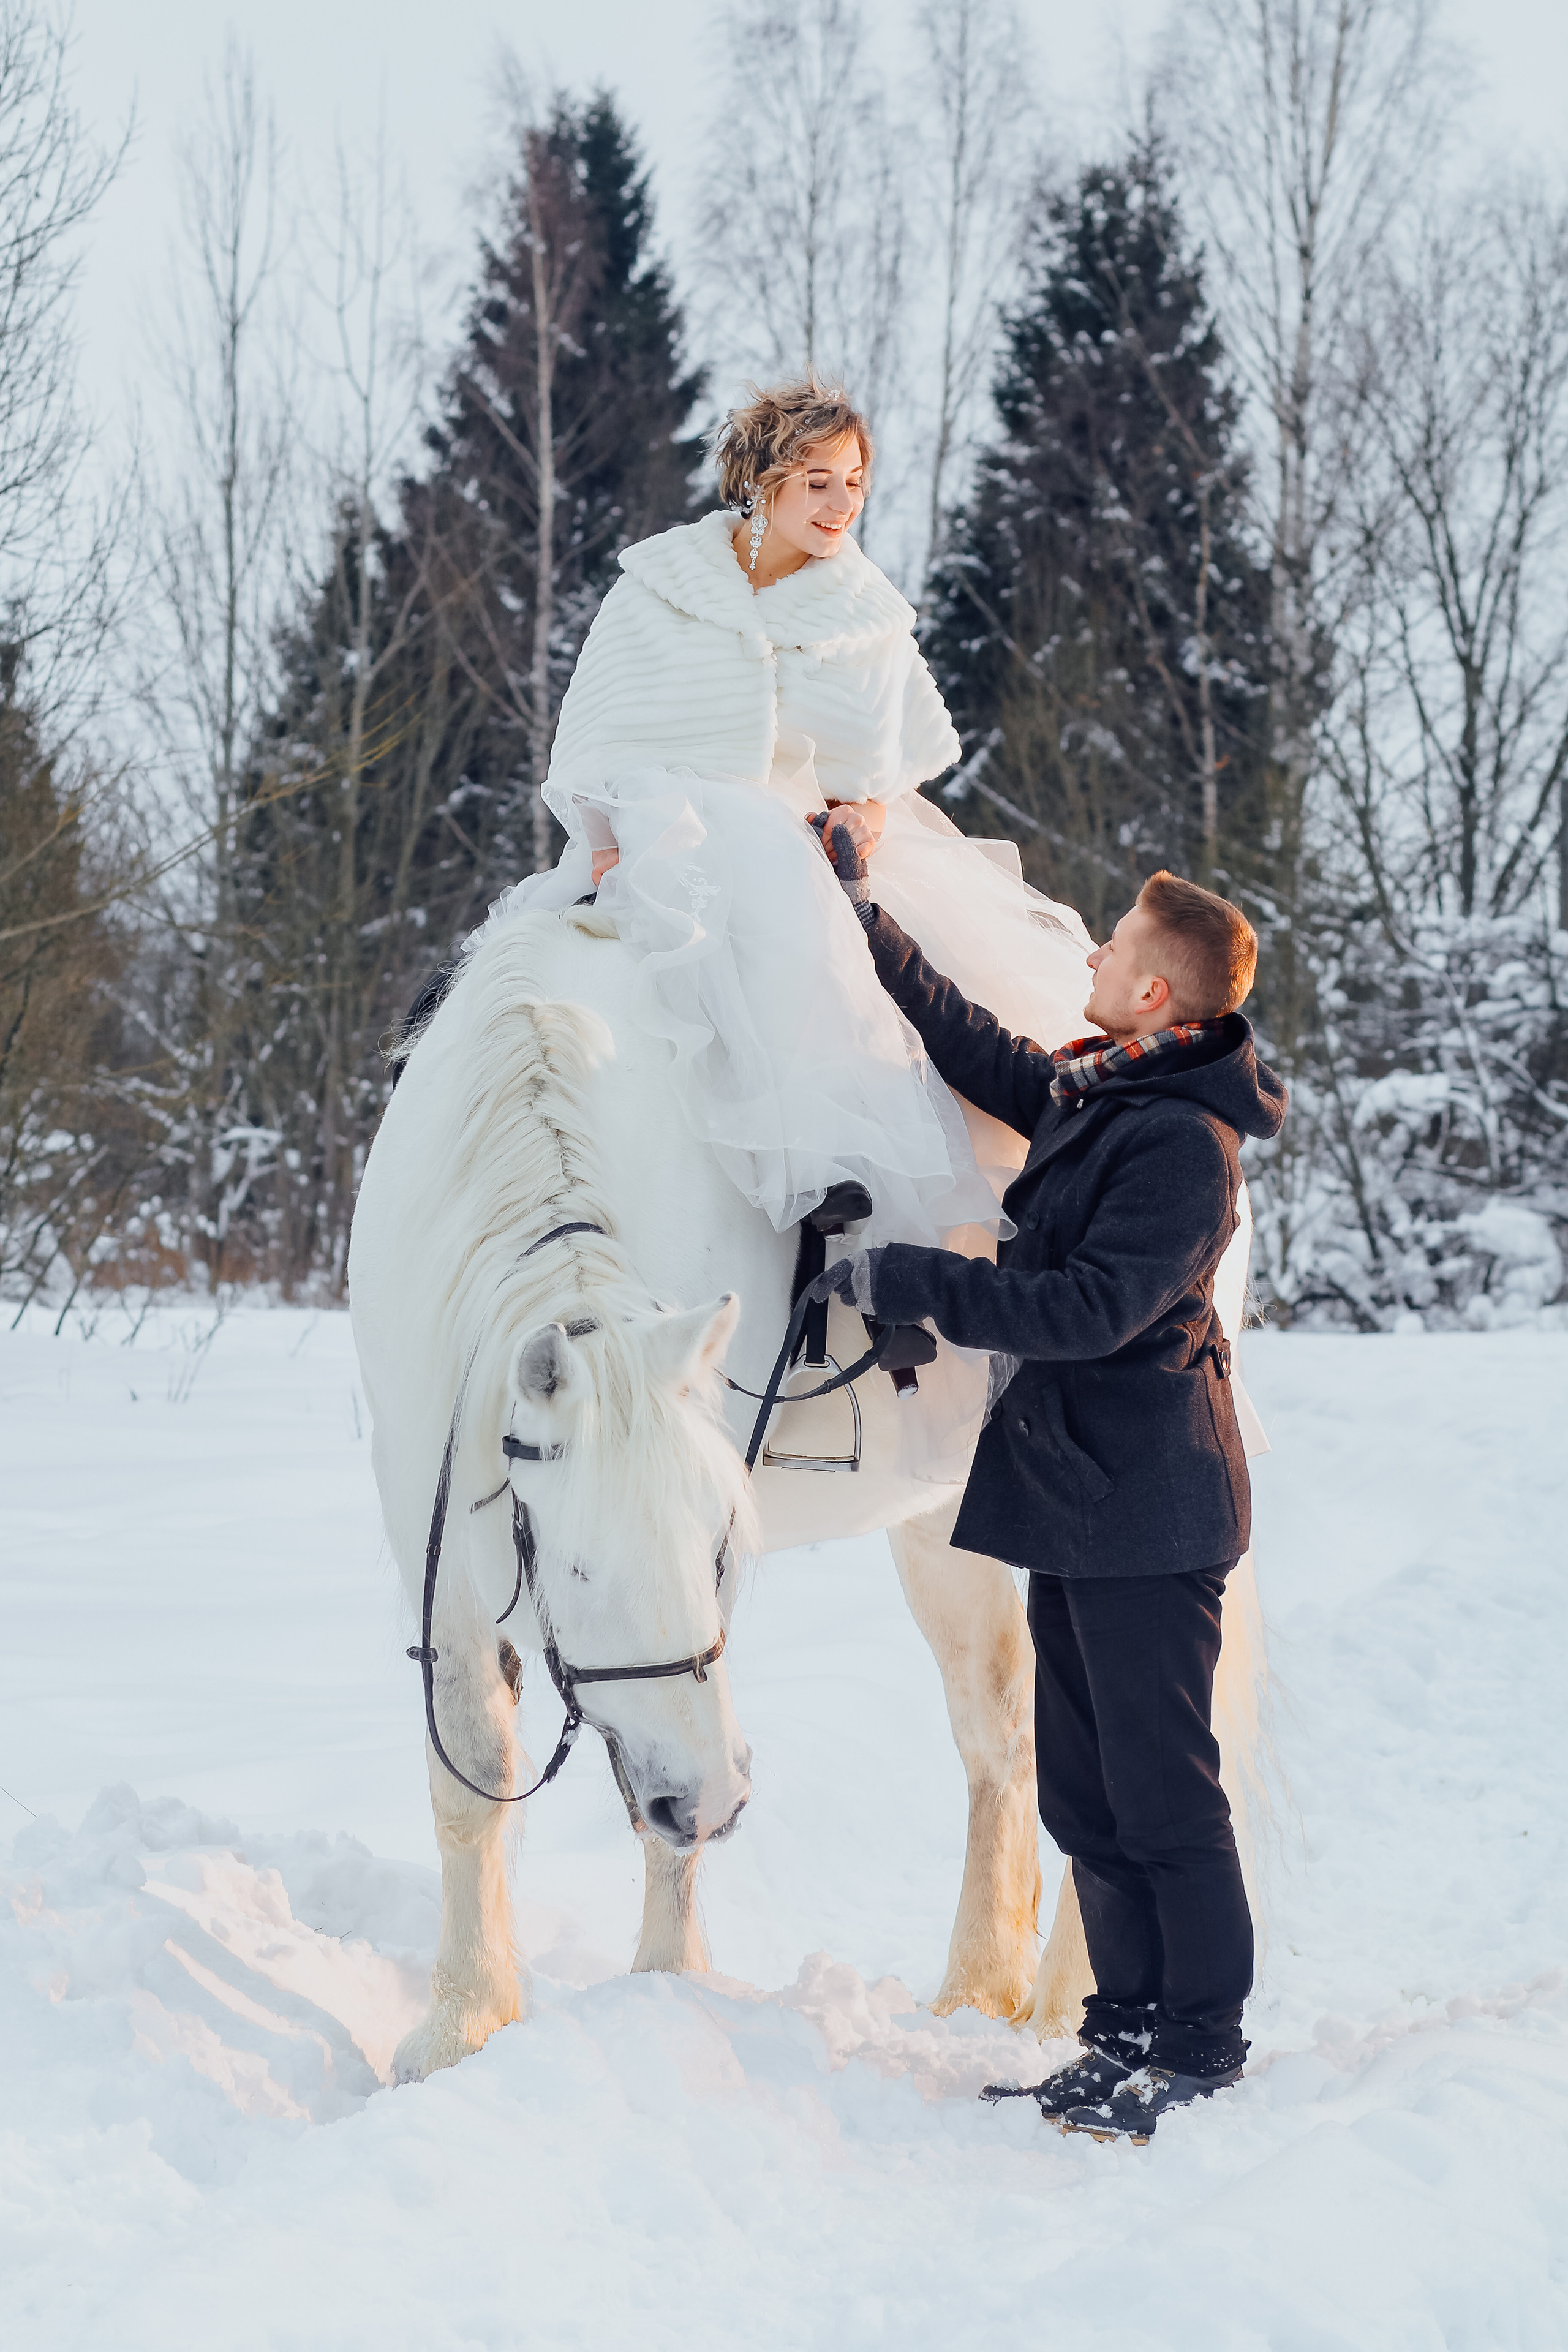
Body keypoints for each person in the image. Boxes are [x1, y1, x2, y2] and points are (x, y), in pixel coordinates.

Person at [488, 374, 1094, 1477]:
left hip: (803, 842)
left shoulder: (861, 607)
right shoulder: (661, 587)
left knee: (874, 987)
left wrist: (862, 808)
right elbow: (592, 736)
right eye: (818, 481)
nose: (841, 503)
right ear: (760, 481)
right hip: (656, 835)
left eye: (855, 482)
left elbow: (901, 748)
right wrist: (606, 828)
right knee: (521, 993)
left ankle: (870, 1257)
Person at [807, 857, 1288, 2139]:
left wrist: (918, 1280)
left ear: (1149, 987)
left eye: (1109, 945)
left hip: (1153, 1509)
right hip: (1080, 1501)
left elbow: (1088, 1313)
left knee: (1164, 1794)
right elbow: (975, 1045)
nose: (1086, 962)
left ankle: (1199, 2044)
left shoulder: (1185, 1147)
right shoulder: (1101, 1090)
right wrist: (860, 913)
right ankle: (1119, 2026)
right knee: (1080, 1789)